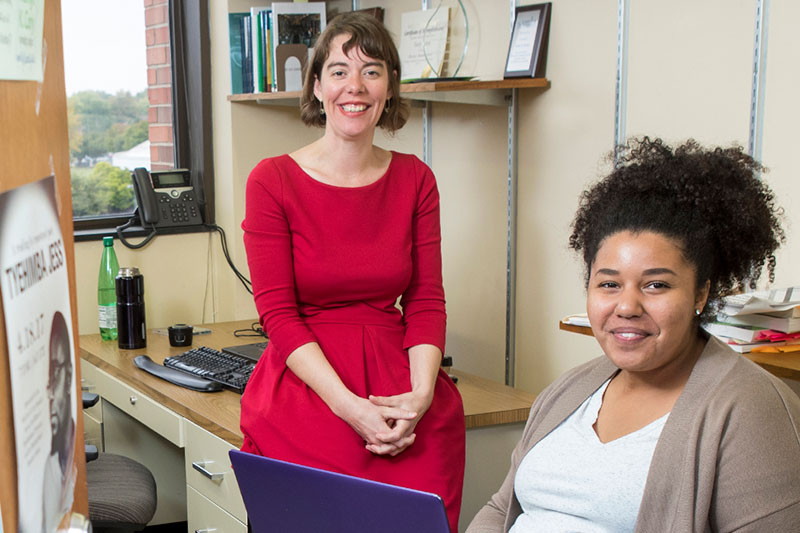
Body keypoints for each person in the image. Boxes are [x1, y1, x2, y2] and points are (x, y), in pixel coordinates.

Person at [467, 137, 800, 532]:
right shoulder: (570, 390)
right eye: (609, 284)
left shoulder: (752, 409)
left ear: (701, 293)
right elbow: (500, 507)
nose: (626, 306)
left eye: (656, 285)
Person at [239, 12, 465, 531]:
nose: (355, 86)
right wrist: (350, 408)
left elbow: (426, 301)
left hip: (399, 387)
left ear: (389, 87)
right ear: (317, 87)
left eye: (372, 71)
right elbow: (277, 313)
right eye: (339, 71)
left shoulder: (415, 179)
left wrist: (420, 398)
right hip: (311, 388)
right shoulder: (272, 180)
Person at [43, 311, 76, 532]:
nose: (49, 391)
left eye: (56, 371)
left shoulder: (73, 451)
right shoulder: (48, 467)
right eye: (49, 376)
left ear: (70, 375)